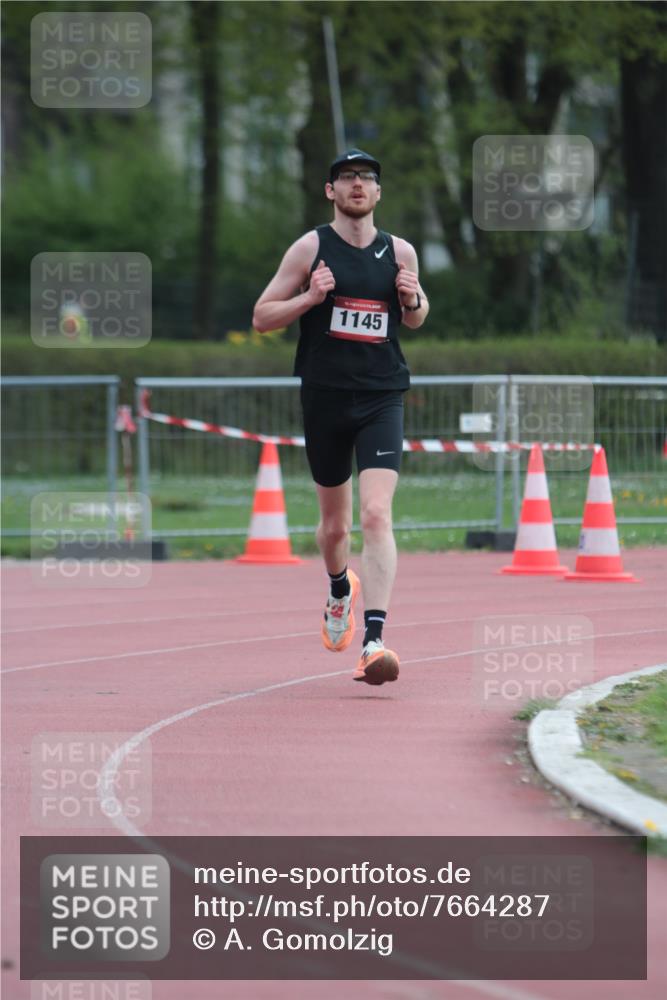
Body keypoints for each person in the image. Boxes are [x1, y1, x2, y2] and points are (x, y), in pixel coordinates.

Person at [253, 148, 429, 685]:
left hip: (381, 395)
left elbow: (416, 318)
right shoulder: (311, 247)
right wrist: (310, 297)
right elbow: (262, 317)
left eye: (367, 179)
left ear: (378, 194)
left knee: (376, 514)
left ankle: (374, 641)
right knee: (334, 529)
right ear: (331, 191)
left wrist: (413, 296)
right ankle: (338, 590)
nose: (358, 185)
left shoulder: (400, 251)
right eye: (347, 178)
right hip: (326, 398)